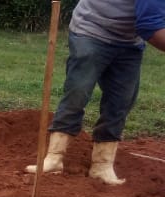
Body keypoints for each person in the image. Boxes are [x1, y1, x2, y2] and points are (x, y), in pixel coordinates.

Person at [26, 0, 165, 185]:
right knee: (78, 91)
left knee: (121, 101)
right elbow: (150, 25)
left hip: (130, 42)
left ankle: (102, 164)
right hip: (92, 28)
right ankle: (54, 157)